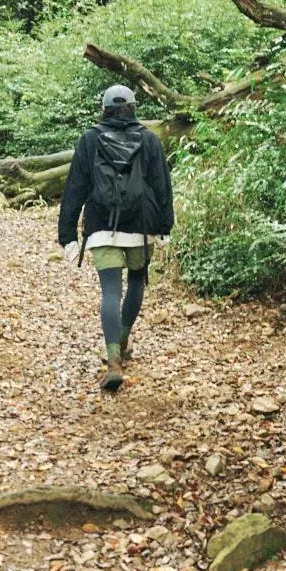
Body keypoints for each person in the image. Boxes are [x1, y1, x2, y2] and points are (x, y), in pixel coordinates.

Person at [58, 85, 174, 391]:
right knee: (136, 281)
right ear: (133, 108)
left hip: (100, 226)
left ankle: (113, 361)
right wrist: (164, 227)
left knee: (110, 291)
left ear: (104, 109)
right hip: (140, 227)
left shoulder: (89, 139)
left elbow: (75, 188)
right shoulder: (148, 139)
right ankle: (122, 341)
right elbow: (162, 185)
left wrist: (67, 234)